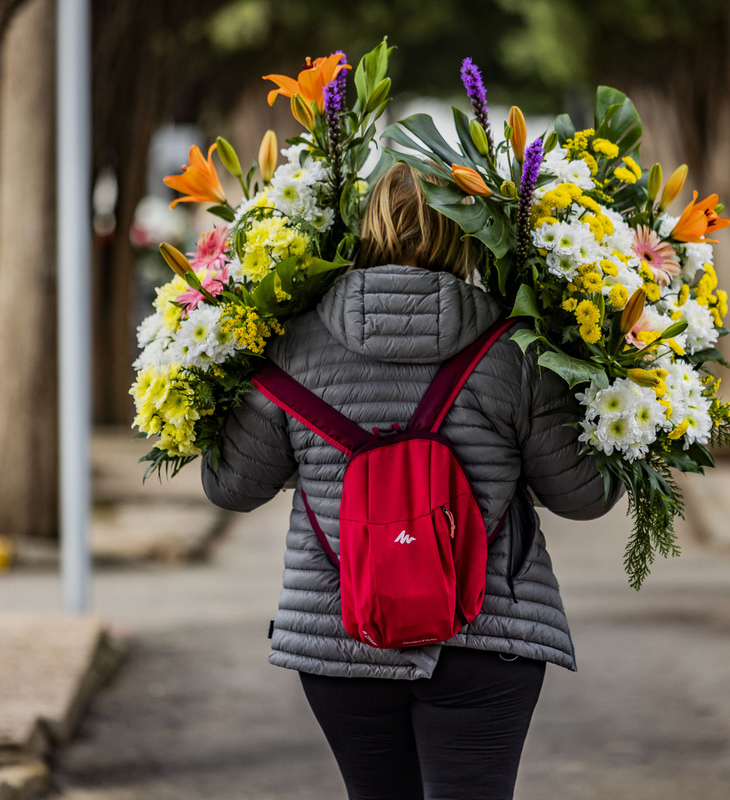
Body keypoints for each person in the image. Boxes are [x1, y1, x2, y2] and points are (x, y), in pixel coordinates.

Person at [202, 161, 620, 800]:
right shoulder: (518, 349)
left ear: (361, 226)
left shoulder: (290, 343)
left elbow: (232, 487)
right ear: (468, 233)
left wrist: (207, 404)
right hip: (488, 637)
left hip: (341, 637)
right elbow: (583, 496)